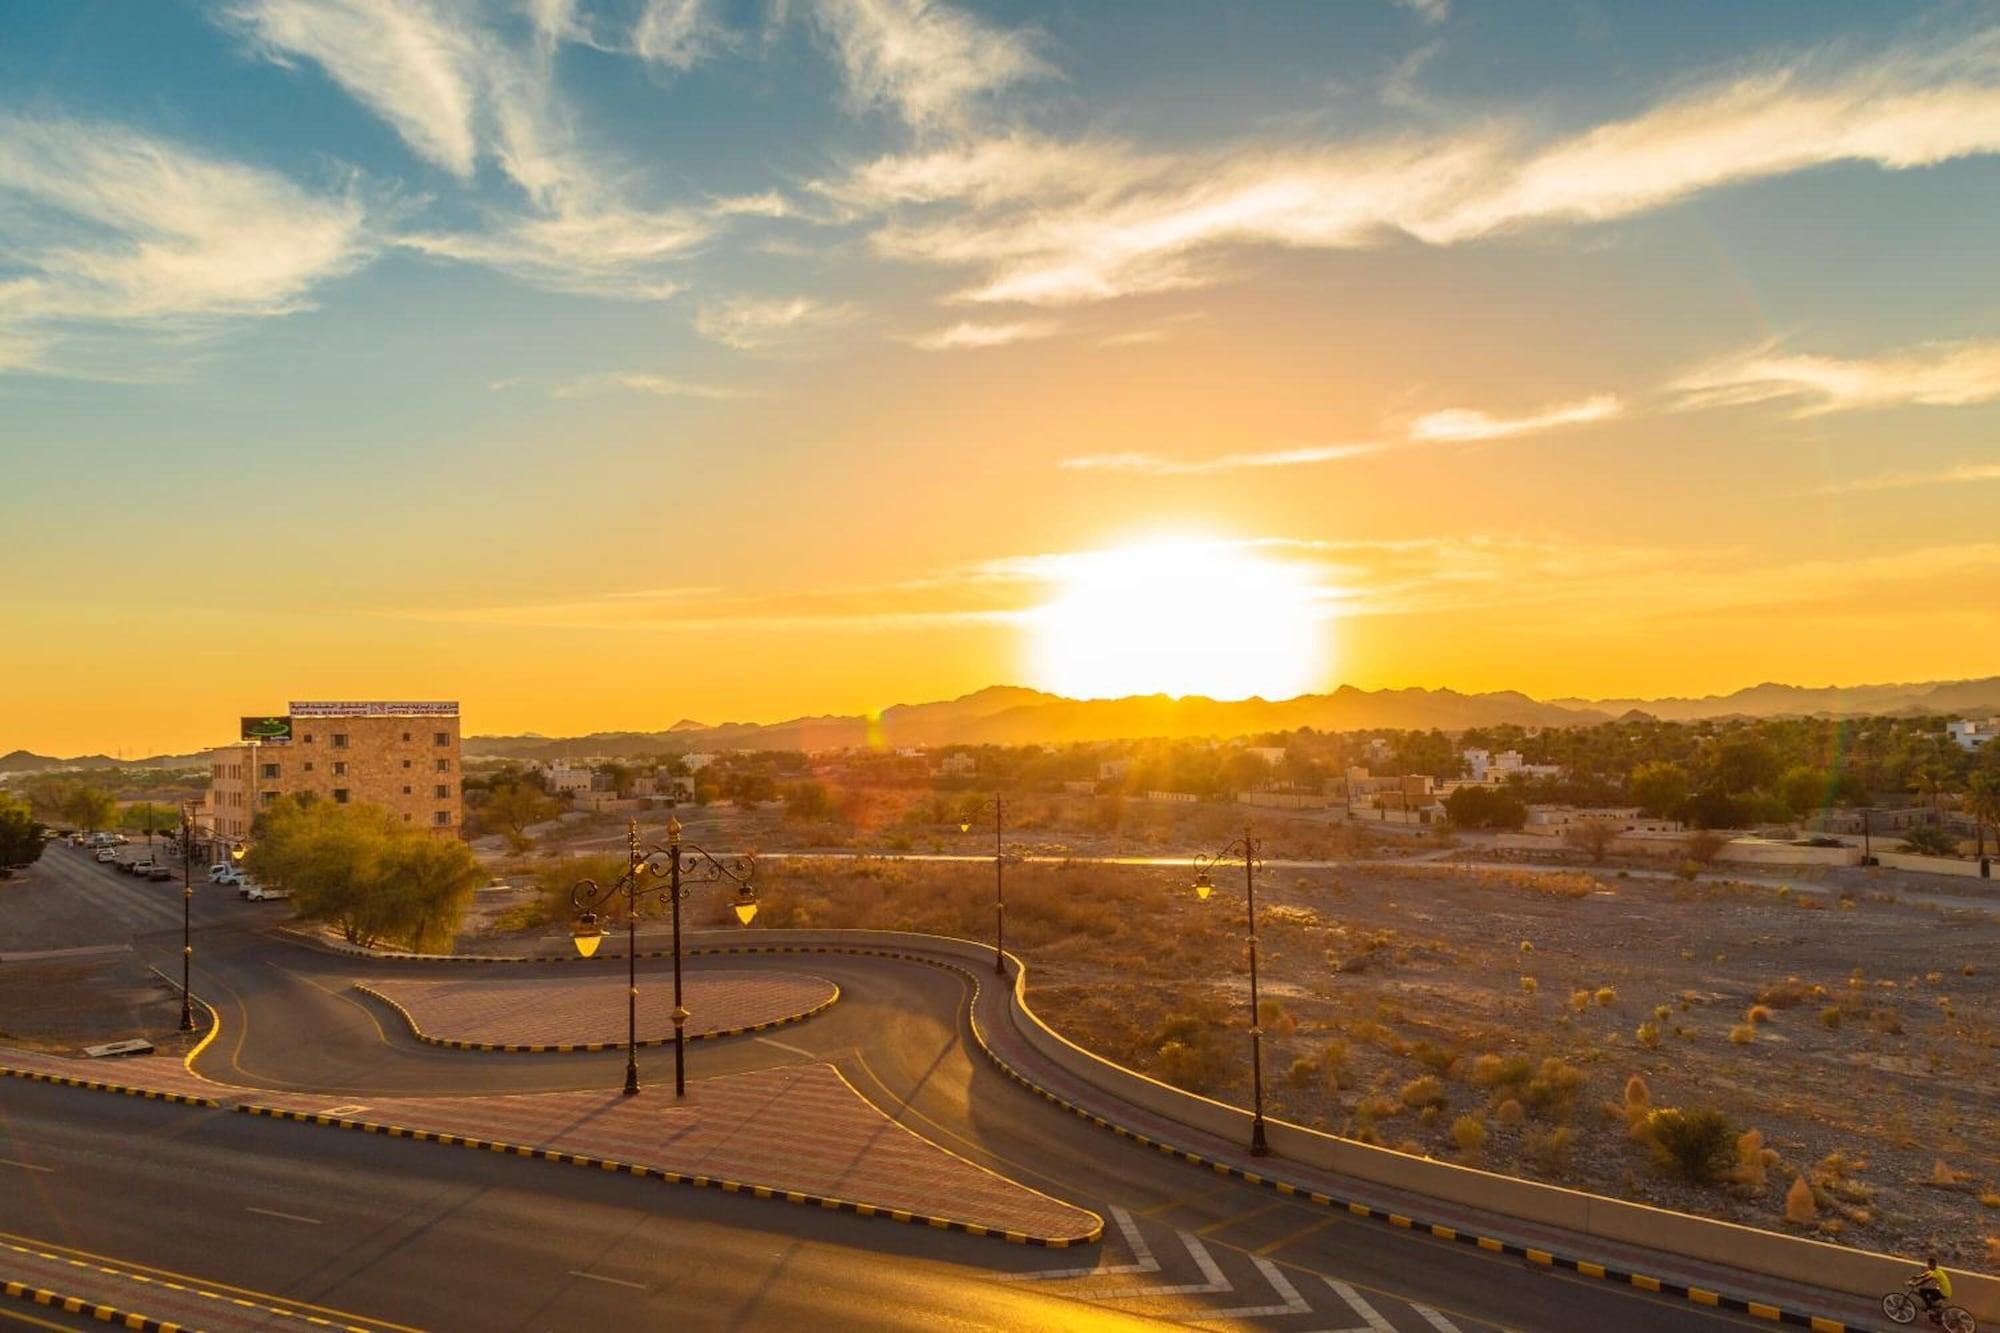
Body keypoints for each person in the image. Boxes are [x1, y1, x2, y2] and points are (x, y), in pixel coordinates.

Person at [1910, 1254, 1952, 1322]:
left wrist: (1915, 1284)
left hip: (1943, 1292)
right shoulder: (1935, 1270)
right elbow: (1925, 1275)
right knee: (1930, 1297)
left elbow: (1926, 1280)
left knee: (1922, 1291)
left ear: (1933, 1264)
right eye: (1928, 1264)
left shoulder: (1937, 1273)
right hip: (1943, 1290)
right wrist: (1916, 1277)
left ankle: (1929, 1310)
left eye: (1929, 1264)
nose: (1928, 1266)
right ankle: (1935, 1313)